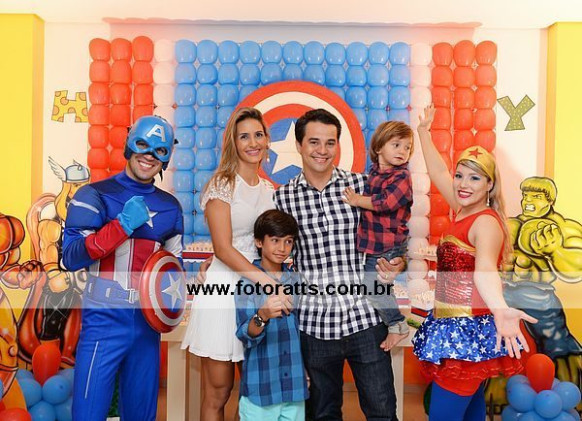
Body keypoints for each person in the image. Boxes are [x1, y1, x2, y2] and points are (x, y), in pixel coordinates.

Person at [274, 108, 405, 421]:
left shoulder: (364, 187)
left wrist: (398, 262)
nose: (322, 150)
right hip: (313, 326)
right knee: (322, 414)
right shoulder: (282, 199)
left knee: (383, 412)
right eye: (314, 142)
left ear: (338, 145)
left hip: (365, 319)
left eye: (330, 142)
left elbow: (395, 236)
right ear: (299, 145)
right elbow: (272, 253)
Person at [411, 105, 537, 421]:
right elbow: (438, 173)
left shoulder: (486, 222)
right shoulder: (463, 209)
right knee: (471, 413)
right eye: (460, 175)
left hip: (465, 332)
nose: (463, 184)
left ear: (489, 185)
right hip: (454, 325)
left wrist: (500, 308)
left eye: (475, 178)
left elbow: (484, 272)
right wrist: (424, 132)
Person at [62, 115, 184, 421]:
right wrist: (121, 226)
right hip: (104, 316)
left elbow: (173, 269)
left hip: (146, 323)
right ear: (129, 144)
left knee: (142, 415)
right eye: (143, 145)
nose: (149, 156)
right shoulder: (94, 195)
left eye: (160, 150)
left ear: (167, 157)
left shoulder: (171, 207)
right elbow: (71, 258)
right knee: (88, 414)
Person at [181, 107, 291, 421]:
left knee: (255, 390)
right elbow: (224, 248)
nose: (252, 143)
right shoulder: (221, 185)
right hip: (225, 292)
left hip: (257, 294)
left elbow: (268, 243)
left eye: (258, 135)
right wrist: (266, 281)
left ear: (267, 140)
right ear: (234, 142)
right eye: (244, 136)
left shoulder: (269, 190)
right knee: (219, 390)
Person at [342, 121, 414, 351]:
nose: (403, 151)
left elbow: (385, 203)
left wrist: (357, 200)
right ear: (379, 147)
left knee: (373, 286)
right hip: (374, 243)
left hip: (389, 243)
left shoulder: (402, 176)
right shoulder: (374, 172)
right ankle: (393, 323)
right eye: (396, 145)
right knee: (378, 286)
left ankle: (397, 324)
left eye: (407, 147)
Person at [235, 209, 309, 421]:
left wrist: (305, 370)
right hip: (261, 388)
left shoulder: (296, 280)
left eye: (288, 241)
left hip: (294, 386)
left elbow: (301, 331)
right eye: (275, 240)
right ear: (259, 242)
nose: (282, 248)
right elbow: (245, 334)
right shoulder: (248, 283)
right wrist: (262, 316)